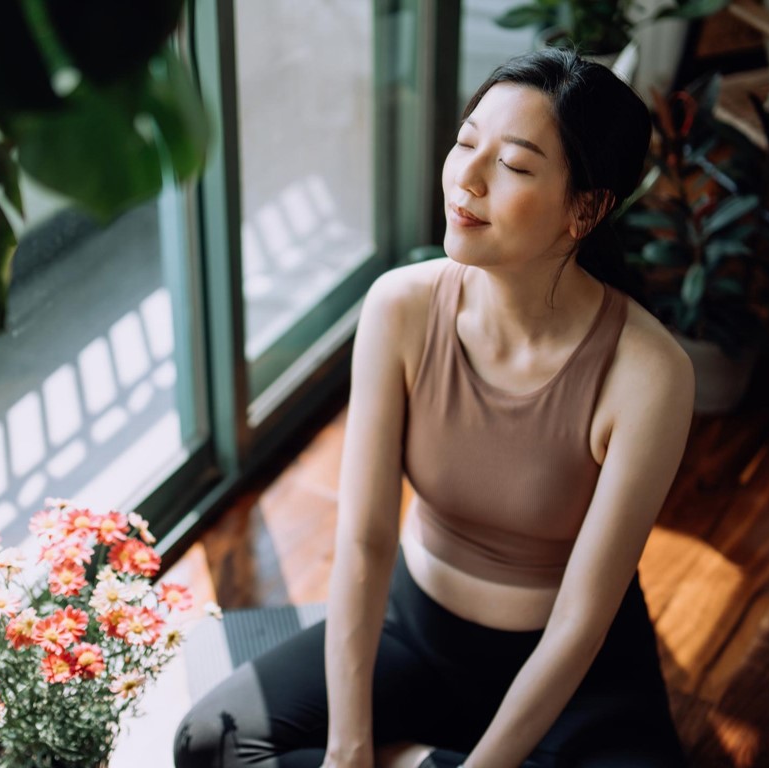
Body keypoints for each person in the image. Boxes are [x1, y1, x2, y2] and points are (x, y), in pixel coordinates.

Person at [173, 47, 695, 768]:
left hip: (576, 679)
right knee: (214, 742)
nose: (467, 180)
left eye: (512, 165)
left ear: (586, 209)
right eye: (465, 142)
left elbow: (580, 622)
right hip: (416, 635)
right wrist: (351, 748)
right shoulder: (403, 305)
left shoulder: (650, 373)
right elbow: (363, 539)